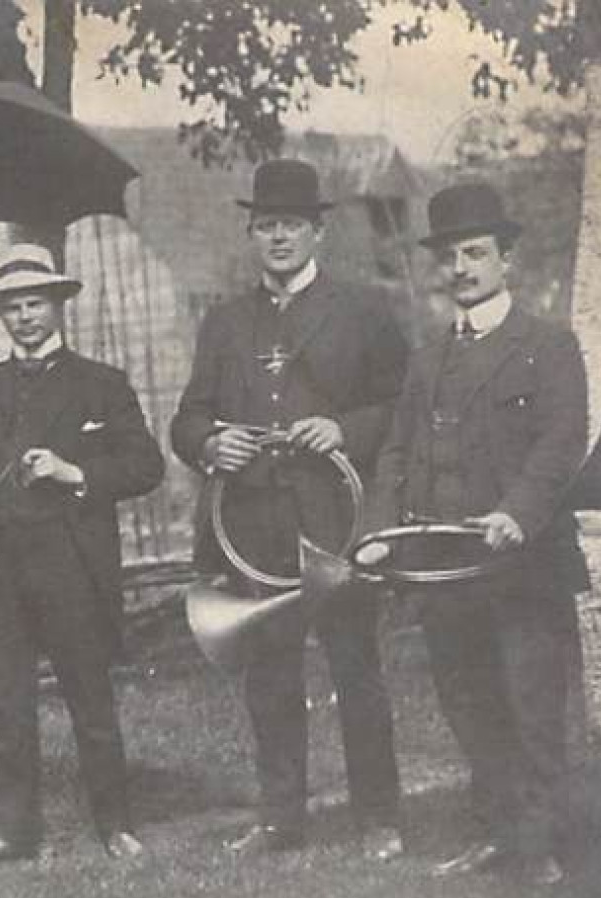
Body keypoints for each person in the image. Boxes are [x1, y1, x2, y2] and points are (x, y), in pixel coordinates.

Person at [169, 159, 409, 859]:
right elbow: (186, 419)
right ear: (251, 233)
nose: (277, 239)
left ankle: (378, 818)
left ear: (318, 232)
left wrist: (343, 430)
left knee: (353, 668)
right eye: (265, 226)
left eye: (291, 226)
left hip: (334, 520)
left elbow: (401, 405)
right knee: (269, 676)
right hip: (250, 526)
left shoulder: (361, 311)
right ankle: (280, 819)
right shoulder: (224, 322)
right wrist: (213, 442)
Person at [0, 243, 165, 869]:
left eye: (34, 304)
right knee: (7, 706)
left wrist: (75, 471)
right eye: (12, 307)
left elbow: (146, 466)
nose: (23, 317)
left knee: (90, 702)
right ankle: (15, 833)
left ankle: (115, 826)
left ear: (57, 305)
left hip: (70, 567)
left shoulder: (100, 384)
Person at [361, 181, 589, 885]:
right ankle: (498, 833)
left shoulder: (547, 346)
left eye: (475, 253)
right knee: (468, 704)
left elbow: (560, 443)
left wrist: (515, 514)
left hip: (522, 566)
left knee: (530, 707)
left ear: (505, 259)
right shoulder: (428, 356)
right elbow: (395, 450)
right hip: (445, 569)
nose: (461, 268)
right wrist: (377, 532)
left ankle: (543, 847)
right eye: (450, 256)